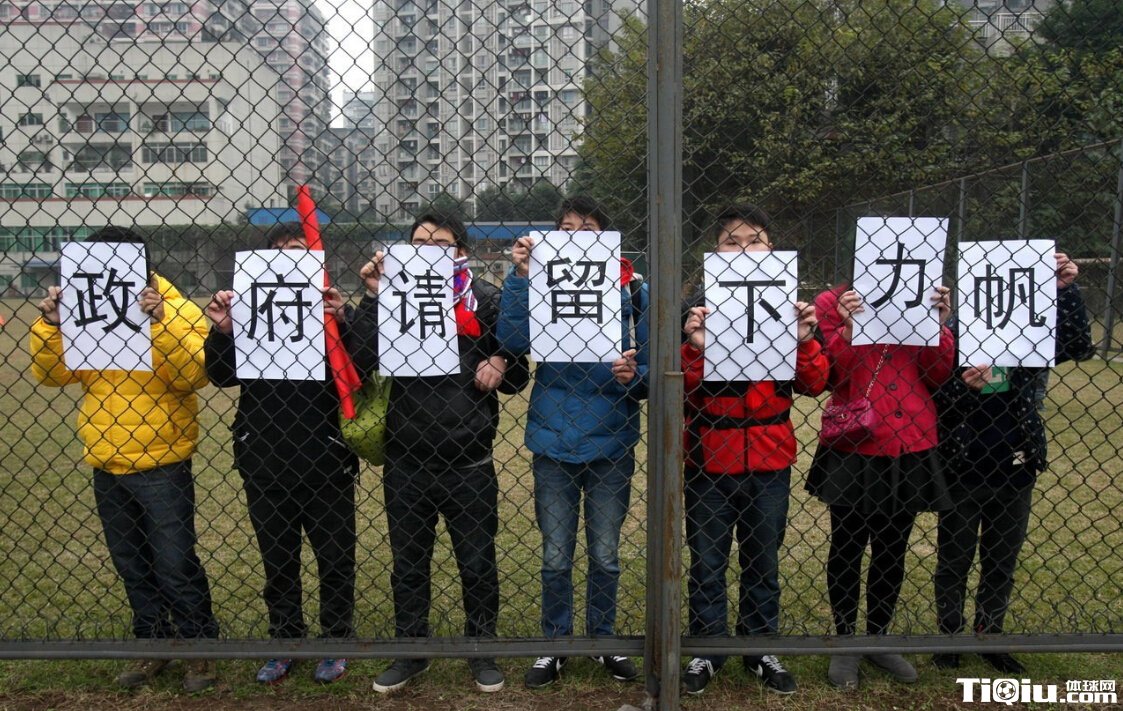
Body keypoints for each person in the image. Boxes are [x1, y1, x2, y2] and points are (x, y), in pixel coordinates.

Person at [29, 226, 220, 691]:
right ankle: (152, 643)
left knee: (175, 563)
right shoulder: (86, 307)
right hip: (106, 457)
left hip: (162, 459)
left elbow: (194, 375)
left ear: (142, 265)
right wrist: (51, 325)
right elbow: (54, 375)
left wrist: (159, 322)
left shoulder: (178, 310)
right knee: (132, 565)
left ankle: (198, 647)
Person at [352, 212, 529, 694]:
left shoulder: (484, 299)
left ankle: (481, 648)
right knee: (408, 565)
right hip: (406, 460)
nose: (427, 249)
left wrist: (502, 358)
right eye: (418, 241)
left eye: (440, 243)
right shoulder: (390, 297)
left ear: (460, 252)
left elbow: (516, 378)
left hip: (470, 459)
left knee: (477, 562)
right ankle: (411, 650)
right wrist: (373, 296)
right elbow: (360, 359)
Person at [497, 196, 649, 689]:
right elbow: (514, 343)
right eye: (566, 228)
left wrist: (633, 374)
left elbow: (651, 363)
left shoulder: (632, 286)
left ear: (606, 237)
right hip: (553, 433)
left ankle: (602, 638)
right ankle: (556, 643)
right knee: (555, 554)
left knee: (605, 552)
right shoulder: (538, 281)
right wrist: (521, 277)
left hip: (612, 436)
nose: (576, 236)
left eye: (588, 228)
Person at [677, 205, 829, 696]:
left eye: (755, 240)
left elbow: (814, 383)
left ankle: (760, 645)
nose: (744, 249)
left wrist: (805, 339)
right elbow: (680, 389)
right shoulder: (695, 308)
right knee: (707, 561)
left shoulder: (789, 307)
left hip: (769, 454)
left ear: (771, 247)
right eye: (732, 241)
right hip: (710, 457)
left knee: (763, 559)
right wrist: (695, 345)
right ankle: (707, 647)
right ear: (715, 250)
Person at [204, 222, 360, 685]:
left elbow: (363, 367)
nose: (288, 257)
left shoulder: (329, 308)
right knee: (278, 561)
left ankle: (336, 640)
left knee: (335, 559)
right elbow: (221, 376)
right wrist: (224, 331)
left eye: (298, 249)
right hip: (264, 456)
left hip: (326, 457)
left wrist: (343, 319)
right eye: (278, 251)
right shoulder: (250, 309)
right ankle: (285, 639)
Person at [932, 253, 1093, 674]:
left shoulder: (1030, 334)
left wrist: (1065, 292)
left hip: (1016, 466)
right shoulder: (954, 333)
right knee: (954, 559)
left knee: (1001, 560)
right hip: (963, 466)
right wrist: (965, 388)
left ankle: (991, 636)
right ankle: (949, 636)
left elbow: (1079, 346)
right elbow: (935, 400)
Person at [807, 276, 955, 690]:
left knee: (893, 547)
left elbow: (937, 374)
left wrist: (938, 325)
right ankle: (845, 640)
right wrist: (847, 328)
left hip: (909, 440)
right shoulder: (832, 301)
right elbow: (835, 376)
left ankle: (878, 636)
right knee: (847, 544)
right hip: (856, 442)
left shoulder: (920, 295)